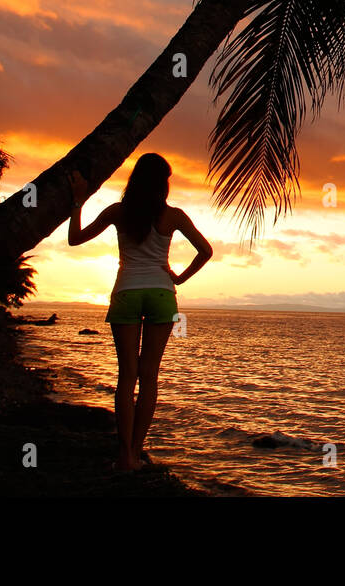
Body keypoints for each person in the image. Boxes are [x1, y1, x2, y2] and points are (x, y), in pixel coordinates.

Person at [66, 154, 213, 472]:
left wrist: (77, 202)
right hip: (161, 294)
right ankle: (136, 452)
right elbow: (206, 251)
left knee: (126, 376)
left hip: (126, 293)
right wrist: (178, 277)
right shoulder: (173, 216)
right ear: (163, 183)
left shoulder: (119, 211)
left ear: (135, 179)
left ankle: (124, 457)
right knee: (149, 379)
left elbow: (75, 239)